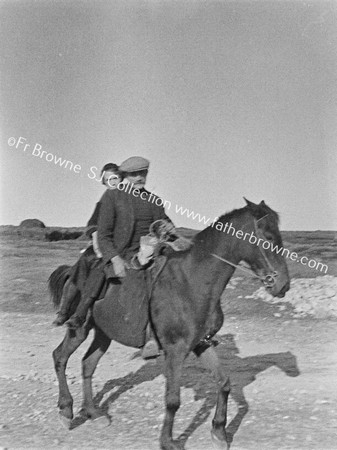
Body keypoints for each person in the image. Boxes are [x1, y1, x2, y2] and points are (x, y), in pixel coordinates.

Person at [66, 156, 174, 358]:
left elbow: (164, 223)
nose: (140, 177)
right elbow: (104, 233)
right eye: (134, 174)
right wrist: (114, 258)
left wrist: (168, 227)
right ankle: (83, 312)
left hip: (150, 253)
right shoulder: (112, 197)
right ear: (125, 176)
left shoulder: (155, 201)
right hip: (121, 253)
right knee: (125, 279)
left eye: (143, 173)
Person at [52, 163, 122, 327]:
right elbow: (92, 225)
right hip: (102, 245)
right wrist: (97, 242)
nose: (113, 182)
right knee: (82, 267)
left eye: (116, 178)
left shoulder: (128, 201)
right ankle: (64, 312)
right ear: (104, 182)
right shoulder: (103, 203)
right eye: (109, 179)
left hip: (122, 247)